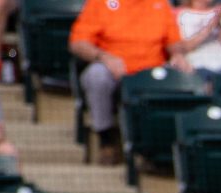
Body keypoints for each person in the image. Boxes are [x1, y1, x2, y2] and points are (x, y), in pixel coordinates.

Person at [68, 0, 187, 165]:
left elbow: (174, 42)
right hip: (115, 69)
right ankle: (106, 139)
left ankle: (165, 146)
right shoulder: (100, 3)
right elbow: (78, 43)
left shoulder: (160, 4)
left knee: (183, 76)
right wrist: (103, 57)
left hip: (150, 71)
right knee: (96, 75)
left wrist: (178, 55)